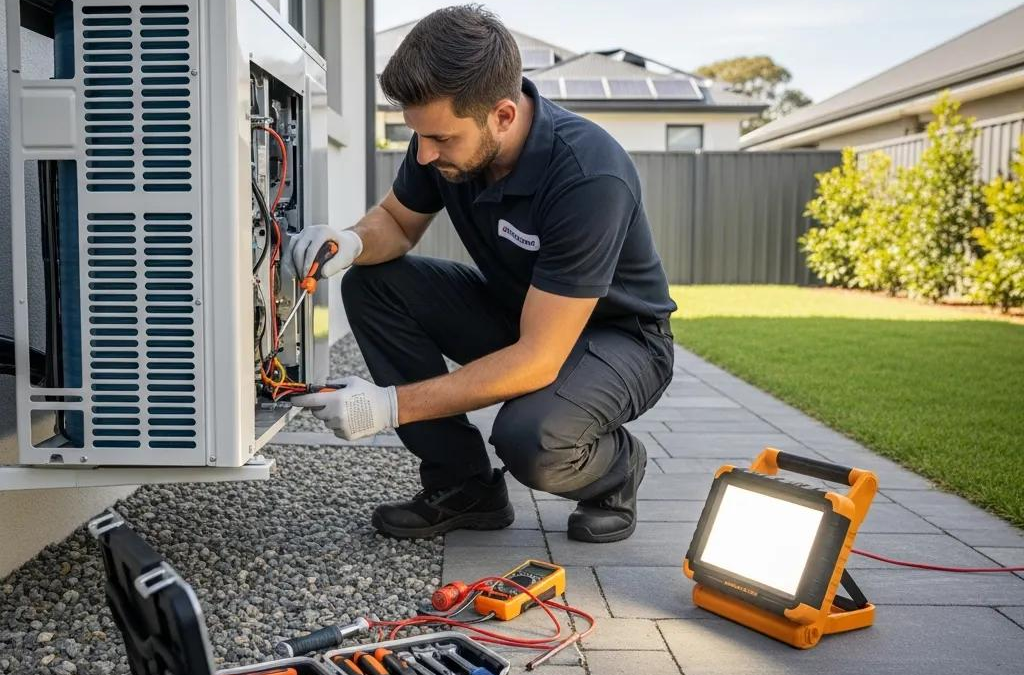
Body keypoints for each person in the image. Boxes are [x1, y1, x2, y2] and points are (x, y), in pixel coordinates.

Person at [288, 5, 676, 543]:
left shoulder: (588, 176)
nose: (424, 155)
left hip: (621, 341)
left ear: (503, 115)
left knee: (531, 440)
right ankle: (465, 487)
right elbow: (397, 223)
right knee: (373, 282)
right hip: (524, 313)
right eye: (418, 136)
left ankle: (616, 469)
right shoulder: (442, 141)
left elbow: (538, 358)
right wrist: (350, 241)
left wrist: (389, 406)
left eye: (441, 139)